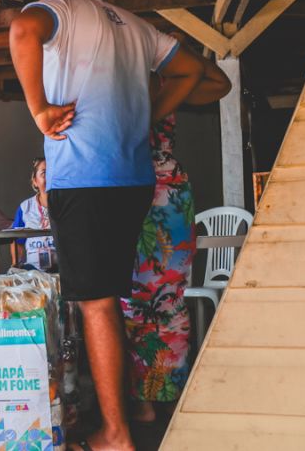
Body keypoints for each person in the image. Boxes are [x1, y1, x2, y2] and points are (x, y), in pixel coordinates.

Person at [9, 0, 230, 451]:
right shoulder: (135, 26)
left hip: (86, 178)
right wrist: (147, 114)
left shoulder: (60, 11)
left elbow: (23, 29)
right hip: (135, 180)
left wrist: (39, 110)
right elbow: (194, 71)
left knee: (100, 304)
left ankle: (117, 433)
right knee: (132, 301)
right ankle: (134, 410)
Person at [122, 61, 231, 423]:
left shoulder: (120, 91)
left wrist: (177, 62)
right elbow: (220, 83)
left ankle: (149, 400)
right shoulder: (171, 86)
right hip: (168, 191)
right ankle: (166, 396)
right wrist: (182, 60)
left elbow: (224, 84)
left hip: (136, 190)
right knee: (166, 299)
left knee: (146, 300)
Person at [10, 157, 57, 271]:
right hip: (33, 269)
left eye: (53, 171)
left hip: (61, 268)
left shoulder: (66, 205)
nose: (49, 176)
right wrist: (16, 264)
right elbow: (17, 241)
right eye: (44, 173)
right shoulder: (25, 207)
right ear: (35, 181)